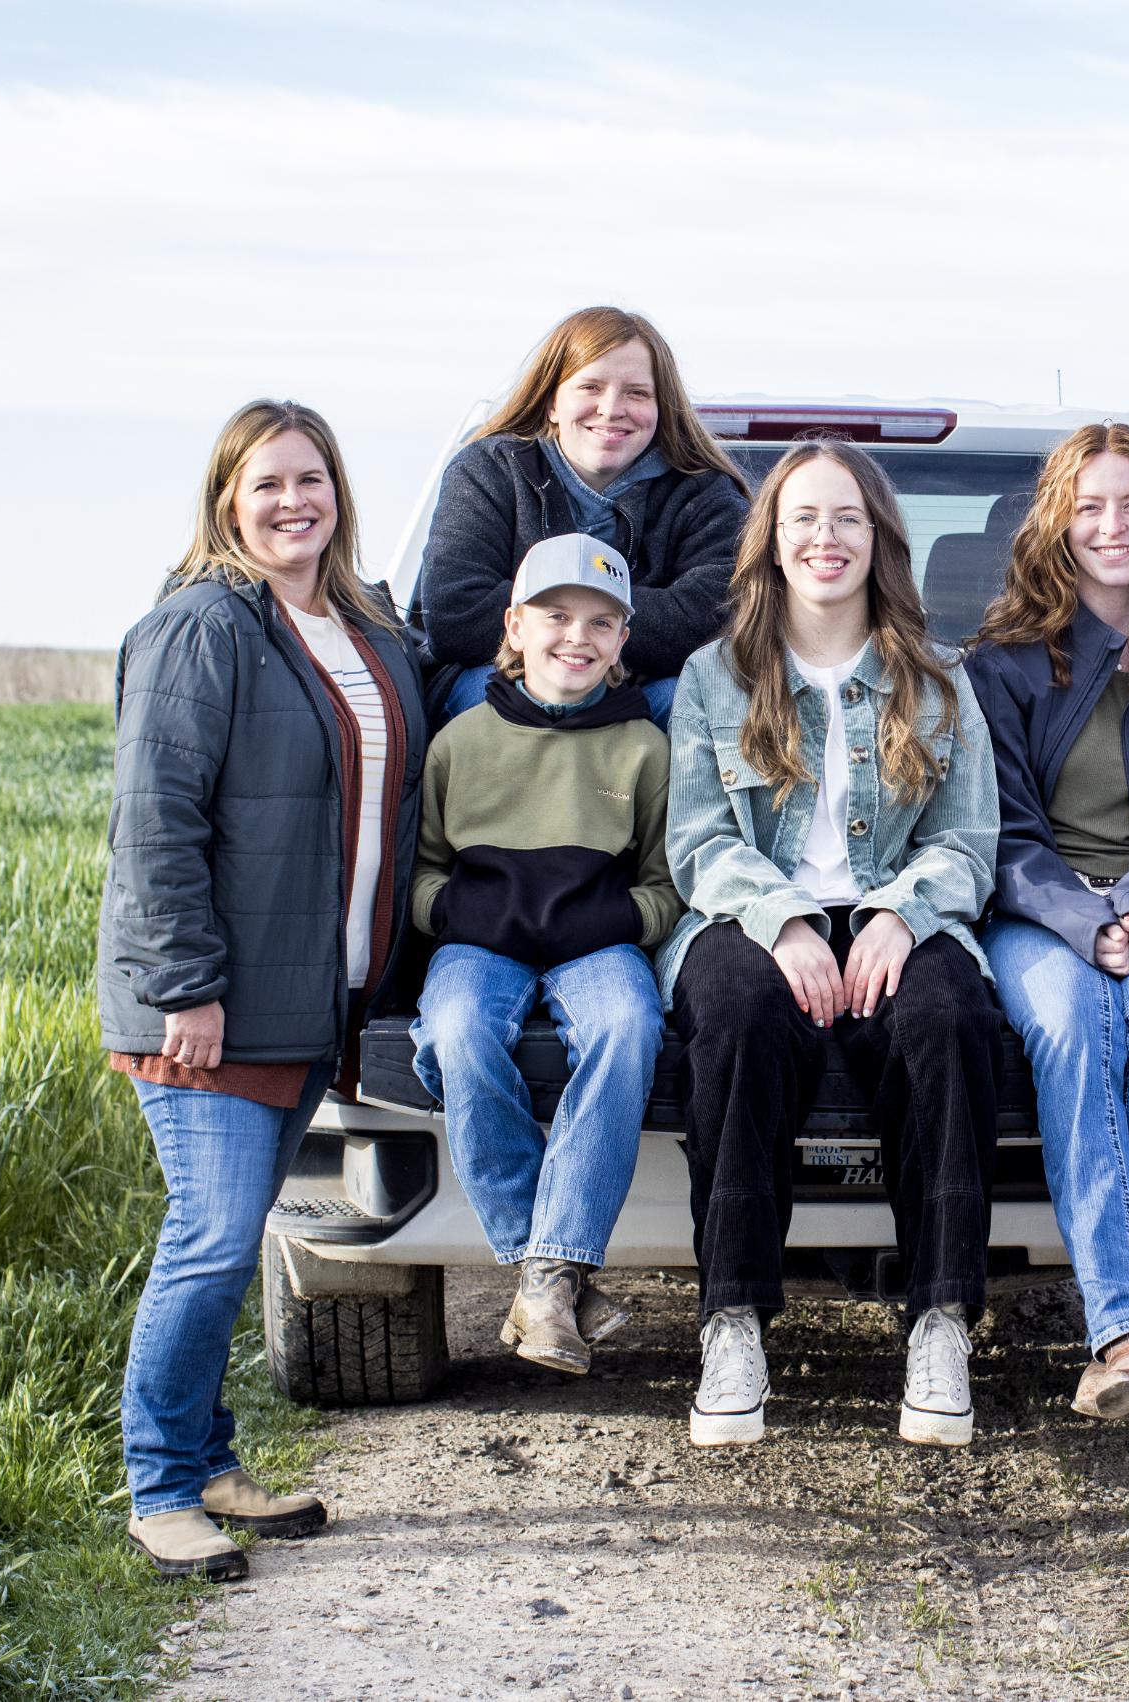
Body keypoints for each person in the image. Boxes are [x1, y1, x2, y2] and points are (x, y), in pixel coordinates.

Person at [98, 400, 426, 1580]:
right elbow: (155, 824)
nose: (294, 502)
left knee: (230, 1242)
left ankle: (212, 1461)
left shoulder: (363, 626)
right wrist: (186, 985)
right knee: (212, 1235)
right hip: (212, 1004)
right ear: (226, 500)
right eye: (268, 483)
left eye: (312, 480)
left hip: (309, 997)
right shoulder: (200, 629)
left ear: (340, 491)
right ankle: (158, 1487)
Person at [659, 439, 1002, 1450]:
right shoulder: (712, 678)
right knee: (732, 1014)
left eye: (845, 517)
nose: (823, 536)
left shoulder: (936, 683)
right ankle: (731, 1323)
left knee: (947, 1015)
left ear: (877, 538)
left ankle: (938, 1319)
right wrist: (783, 919)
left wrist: (901, 912)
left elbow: (966, 840)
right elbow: (697, 841)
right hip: (747, 916)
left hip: (898, 910)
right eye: (801, 517)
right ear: (768, 541)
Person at [965, 423, 1129, 1420]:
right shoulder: (1000, 662)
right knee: (1074, 1029)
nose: (1111, 525)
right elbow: (1000, 826)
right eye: (1088, 506)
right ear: (1057, 523)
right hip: (1039, 911)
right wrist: (1083, 920)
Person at [405, 534, 680, 1375]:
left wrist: (610, 919)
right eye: (555, 616)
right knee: (454, 1032)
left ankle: (545, 1277)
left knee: (630, 1026)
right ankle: (552, 1273)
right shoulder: (460, 743)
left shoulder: (644, 748)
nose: (577, 637)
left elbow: (668, 887)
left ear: (623, 641)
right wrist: (458, 909)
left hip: (594, 946)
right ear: (514, 626)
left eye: (602, 622)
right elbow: (421, 876)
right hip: (479, 946)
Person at [410, 305, 751, 729]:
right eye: (590, 386)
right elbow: (456, 613)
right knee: (491, 692)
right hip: (509, 676)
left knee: (696, 698)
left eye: (637, 393)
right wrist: (587, 639)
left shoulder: (705, 492)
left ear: (662, 407)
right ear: (552, 401)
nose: (611, 409)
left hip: (642, 693)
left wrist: (551, 615)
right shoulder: (487, 470)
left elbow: (709, 623)